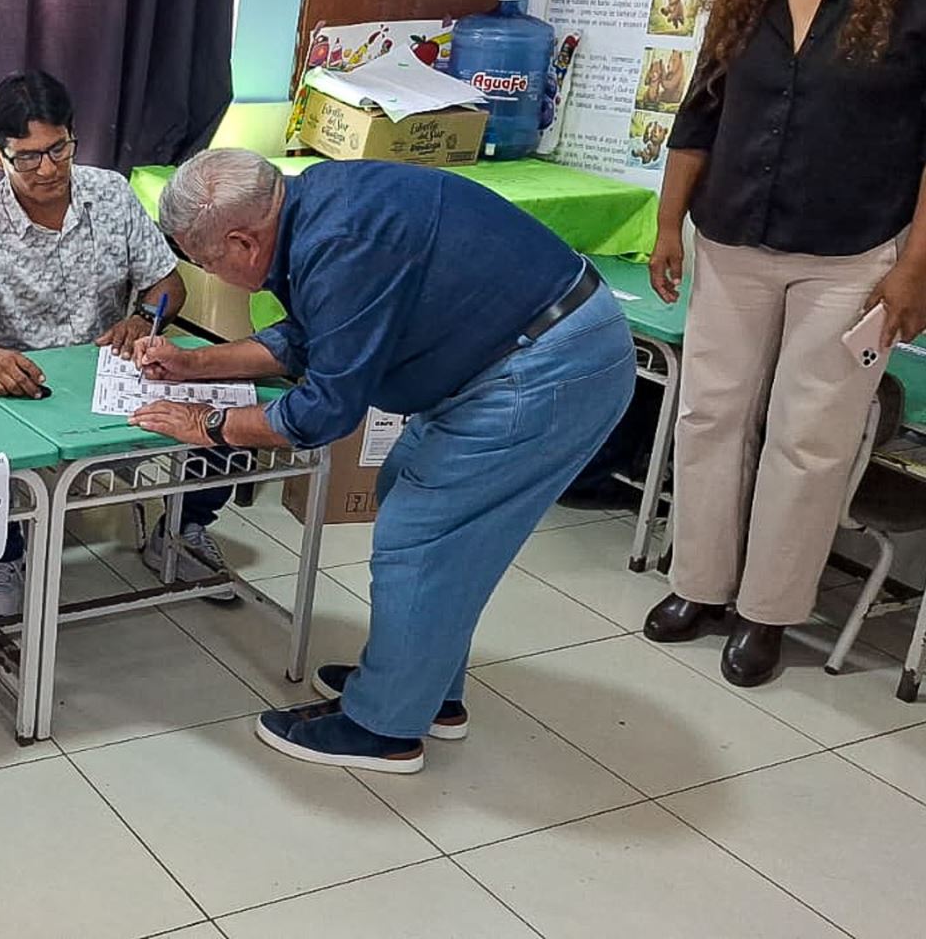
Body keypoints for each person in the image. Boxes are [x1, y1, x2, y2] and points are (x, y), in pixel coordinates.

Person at [131, 149, 634, 773]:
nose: (210, 271)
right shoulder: (309, 204)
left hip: (547, 368)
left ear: (241, 240)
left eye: (205, 261)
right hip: (517, 349)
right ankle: (429, 694)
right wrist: (197, 364)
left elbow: (321, 413)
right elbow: (319, 332)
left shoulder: (339, 244)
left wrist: (209, 425)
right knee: (409, 491)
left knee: (423, 536)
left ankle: (384, 728)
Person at [643, 0, 926, 688]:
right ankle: (700, 585)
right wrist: (667, 223)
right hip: (731, 237)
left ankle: (767, 611)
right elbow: (702, 108)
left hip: (854, 253)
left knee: (812, 436)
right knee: (711, 412)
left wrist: (916, 268)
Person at [0, 70, 230, 615]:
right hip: (25, 388)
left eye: (58, 149)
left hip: (110, 375)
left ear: (72, 136)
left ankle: (182, 528)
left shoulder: (110, 193)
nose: (47, 169)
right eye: (27, 157)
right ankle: (2, 553)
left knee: (231, 416)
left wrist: (142, 316)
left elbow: (168, 284)